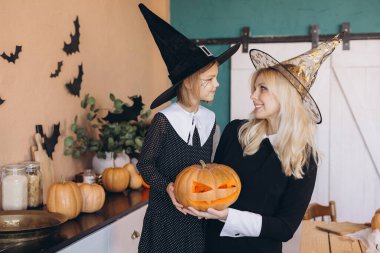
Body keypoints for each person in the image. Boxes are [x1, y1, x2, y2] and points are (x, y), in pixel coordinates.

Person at [188, 35, 342, 253]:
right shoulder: (235, 132)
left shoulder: (304, 158)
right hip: (212, 246)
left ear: (285, 97)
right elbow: (210, 181)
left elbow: (285, 228)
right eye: (254, 88)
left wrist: (229, 216)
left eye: (262, 88)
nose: (253, 96)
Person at [136, 4, 240, 253]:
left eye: (215, 77)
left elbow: (206, 171)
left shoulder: (210, 118)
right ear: (189, 83)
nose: (217, 84)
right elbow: (145, 165)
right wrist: (169, 187)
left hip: (196, 220)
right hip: (164, 219)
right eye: (209, 80)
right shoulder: (164, 120)